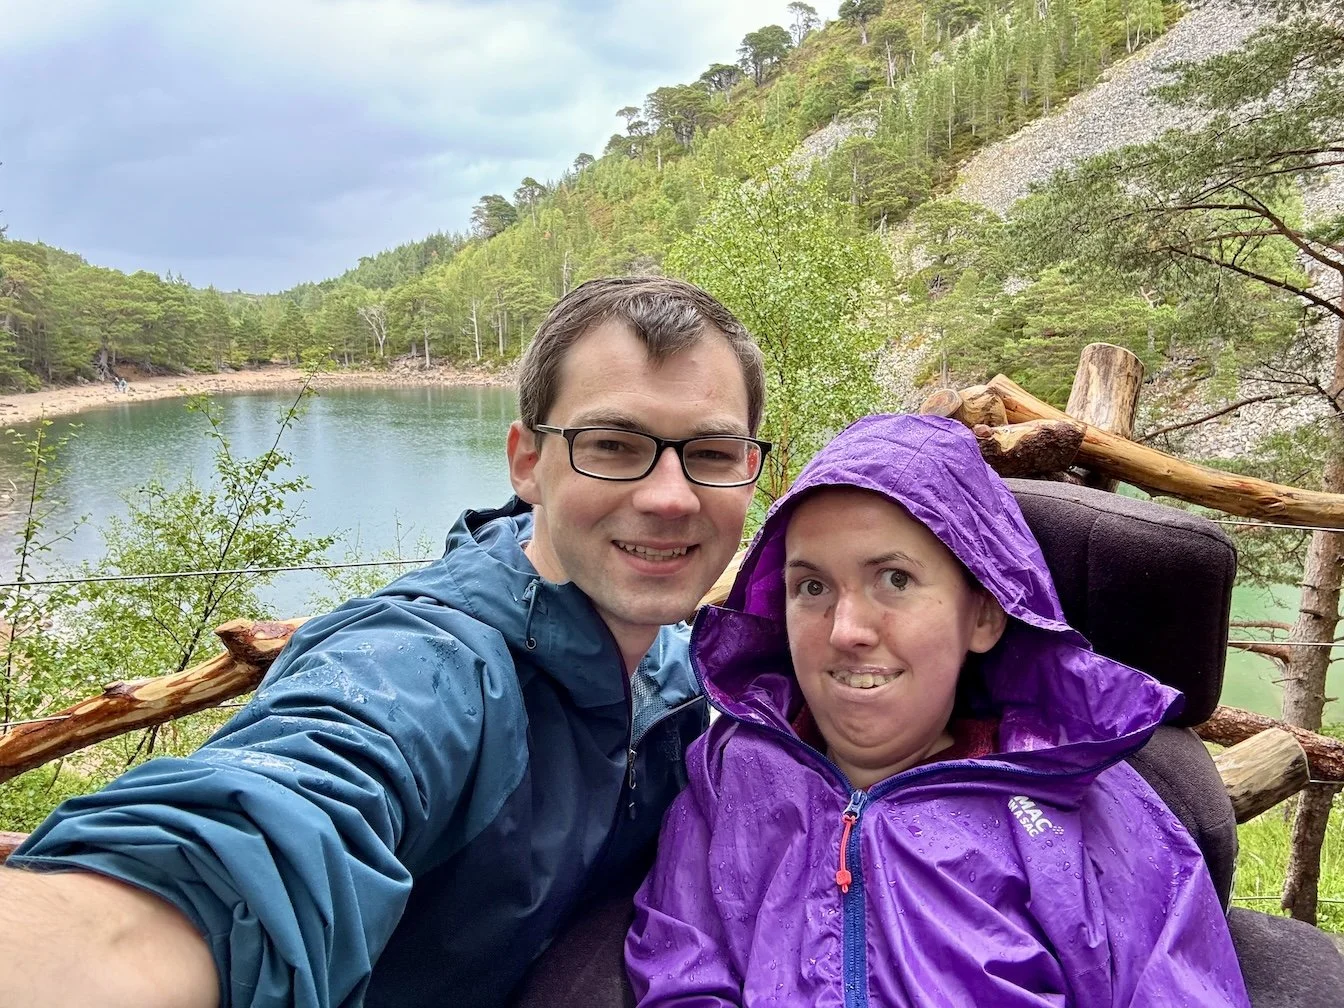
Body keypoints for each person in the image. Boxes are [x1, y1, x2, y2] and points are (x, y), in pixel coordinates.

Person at [0, 276, 768, 1008]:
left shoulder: (675, 669)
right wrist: (113, 921)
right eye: (612, 443)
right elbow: (268, 828)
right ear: (527, 462)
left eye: (710, 453)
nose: (670, 496)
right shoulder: (427, 665)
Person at [627, 413, 1251, 1007]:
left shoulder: (1084, 807)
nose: (846, 629)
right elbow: (681, 963)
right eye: (811, 587)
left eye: (894, 579)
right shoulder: (731, 773)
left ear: (983, 612)